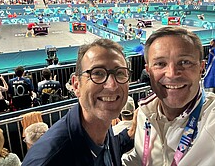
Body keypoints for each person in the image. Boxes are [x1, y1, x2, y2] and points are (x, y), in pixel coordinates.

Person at [122, 27, 215, 166]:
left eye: (185, 62)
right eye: (160, 63)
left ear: (201, 68)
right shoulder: (144, 113)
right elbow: (141, 158)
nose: (172, 73)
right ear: (148, 71)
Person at [22, 38, 136, 166]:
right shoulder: (47, 160)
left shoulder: (102, 126)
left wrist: (130, 134)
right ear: (76, 86)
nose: (112, 85)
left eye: (120, 73)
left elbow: (107, 148)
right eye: (97, 73)